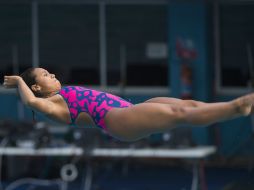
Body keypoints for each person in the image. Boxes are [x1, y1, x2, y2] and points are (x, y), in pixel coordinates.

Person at [2, 67, 253, 141]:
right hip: (117, 119)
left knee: (191, 106)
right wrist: (17, 82)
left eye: (50, 72)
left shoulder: (63, 91)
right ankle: (236, 107)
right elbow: (31, 102)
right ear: (35, 87)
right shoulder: (53, 106)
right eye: (45, 76)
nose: (53, 75)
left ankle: (236, 105)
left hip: (130, 108)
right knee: (179, 113)